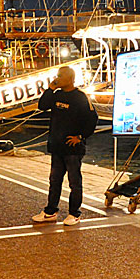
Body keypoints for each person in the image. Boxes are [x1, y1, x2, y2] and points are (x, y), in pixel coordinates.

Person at [32, 66, 98, 226]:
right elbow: (42, 106)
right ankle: (50, 212)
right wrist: (50, 88)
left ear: (69, 79)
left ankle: (74, 213)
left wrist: (80, 137)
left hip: (72, 149)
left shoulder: (81, 97)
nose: (57, 78)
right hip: (57, 146)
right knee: (54, 180)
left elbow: (92, 119)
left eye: (60, 76)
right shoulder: (57, 95)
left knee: (74, 182)